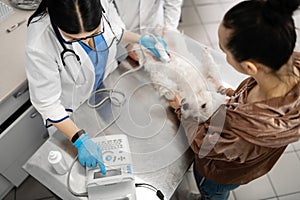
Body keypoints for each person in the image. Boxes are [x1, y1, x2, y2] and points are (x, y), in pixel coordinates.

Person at [169, 0, 300, 199]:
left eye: (224, 51)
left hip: (219, 174)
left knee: (212, 192)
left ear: (249, 67)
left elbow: (204, 145)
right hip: (247, 163)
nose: (223, 55)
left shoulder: (246, 128)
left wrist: (181, 108)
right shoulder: (290, 65)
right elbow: (250, 100)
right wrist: (230, 93)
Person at [25, 0, 168, 174]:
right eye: (75, 39)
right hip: (73, 112)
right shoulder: (40, 43)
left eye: (95, 32)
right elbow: (47, 104)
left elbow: (113, 30)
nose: (89, 40)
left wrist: (140, 39)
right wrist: (79, 139)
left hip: (105, 88)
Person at [111, 0, 183, 34]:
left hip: (155, 25)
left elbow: (173, 4)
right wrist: (124, 38)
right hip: (123, 27)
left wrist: (169, 30)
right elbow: (107, 6)